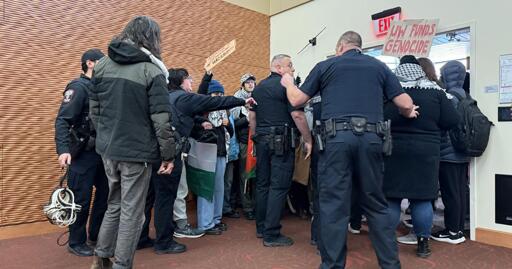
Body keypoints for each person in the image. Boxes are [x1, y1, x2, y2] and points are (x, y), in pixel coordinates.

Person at [281, 31, 419, 269]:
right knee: (376, 205)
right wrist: (409, 113)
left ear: (340, 46)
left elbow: (296, 101)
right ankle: (390, 265)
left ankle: (332, 266)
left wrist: (288, 82)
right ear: (358, 47)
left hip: (336, 140)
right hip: (372, 140)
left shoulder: (326, 65)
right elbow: (405, 103)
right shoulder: (379, 66)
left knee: (334, 206)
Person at [89, 16, 176, 269]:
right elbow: (161, 120)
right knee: (132, 212)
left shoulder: (102, 65)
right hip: (136, 152)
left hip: (109, 149)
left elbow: (95, 112)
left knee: (114, 203)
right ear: (152, 39)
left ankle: (101, 259)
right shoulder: (153, 71)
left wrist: (106, 138)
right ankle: (122, 265)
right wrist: (168, 156)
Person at [383, 56, 459, 258]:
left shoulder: (390, 91)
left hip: (393, 151)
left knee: (391, 198)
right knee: (422, 199)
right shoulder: (435, 92)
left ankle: (386, 242)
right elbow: (452, 120)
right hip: (426, 153)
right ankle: (423, 243)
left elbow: (378, 117)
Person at [249, 54, 313, 247]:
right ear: (278, 67)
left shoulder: (258, 88)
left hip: (262, 140)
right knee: (278, 186)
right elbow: (298, 115)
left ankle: (261, 228)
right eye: (290, 66)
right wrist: (308, 139)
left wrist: (255, 138)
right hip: (282, 142)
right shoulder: (287, 87)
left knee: (262, 184)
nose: (292, 70)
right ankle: (272, 234)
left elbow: (252, 118)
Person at [54, 48, 108, 257]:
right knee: (80, 200)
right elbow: (63, 120)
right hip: (83, 154)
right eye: (102, 62)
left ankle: (95, 235)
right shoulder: (78, 87)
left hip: (102, 154)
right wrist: (63, 150)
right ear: (90, 63)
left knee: (105, 197)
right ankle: (76, 242)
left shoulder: (101, 89)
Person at [431, 60, 471, 245]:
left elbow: (442, 124)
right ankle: (459, 228)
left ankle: (453, 231)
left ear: (447, 76)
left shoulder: (448, 98)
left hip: (448, 153)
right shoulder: (466, 96)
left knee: (450, 193)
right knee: (461, 192)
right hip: (463, 151)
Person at [227, 73, 258, 220]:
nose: (251, 84)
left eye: (252, 82)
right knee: (245, 175)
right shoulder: (237, 100)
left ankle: (256, 203)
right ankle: (247, 206)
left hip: (257, 141)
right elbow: (233, 123)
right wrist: (247, 118)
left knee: (256, 175)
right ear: (242, 84)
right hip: (244, 142)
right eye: (248, 82)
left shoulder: (258, 97)